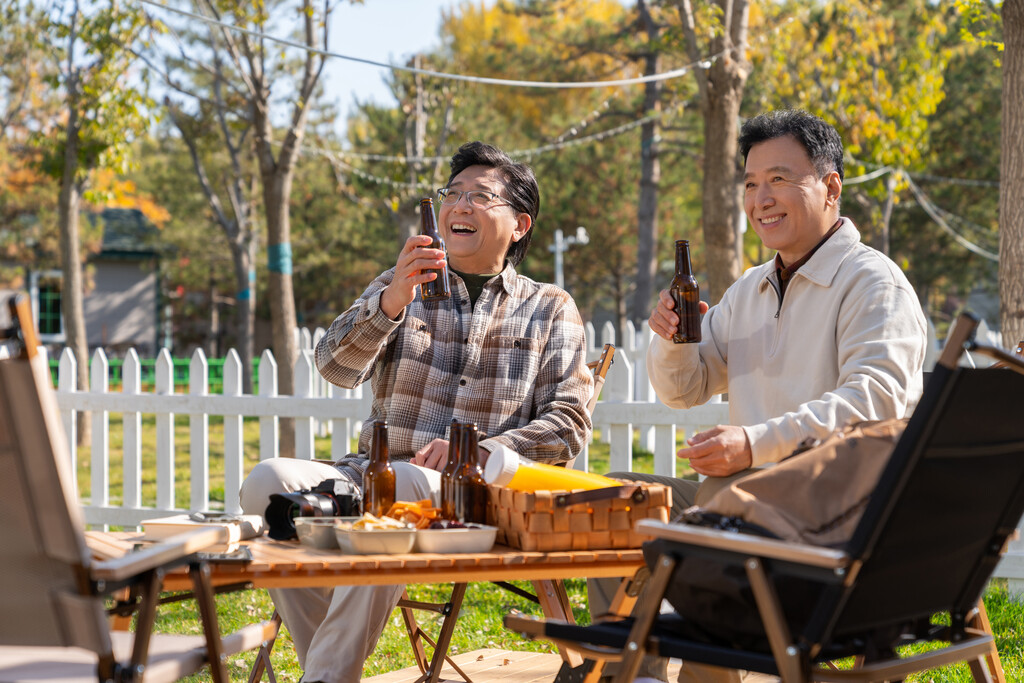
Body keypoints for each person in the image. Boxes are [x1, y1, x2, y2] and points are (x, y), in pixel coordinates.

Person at [590, 109, 928, 683]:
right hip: (739, 499)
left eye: (778, 179)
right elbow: (684, 390)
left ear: (831, 187)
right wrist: (673, 339)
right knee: (614, 505)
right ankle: (639, 676)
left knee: (711, 536)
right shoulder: (751, 287)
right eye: (750, 184)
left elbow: (878, 401)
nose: (760, 198)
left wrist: (753, 443)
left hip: (828, 515)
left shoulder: (874, 283)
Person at [239, 141, 594, 683]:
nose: (460, 206)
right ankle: (328, 672)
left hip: (474, 497)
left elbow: (569, 422)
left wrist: (479, 449)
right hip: (371, 481)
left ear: (519, 225)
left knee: (403, 481)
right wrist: (389, 303)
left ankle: (325, 676)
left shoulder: (550, 307)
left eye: (481, 196)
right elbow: (334, 366)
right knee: (269, 480)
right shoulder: (403, 282)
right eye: (452, 193)